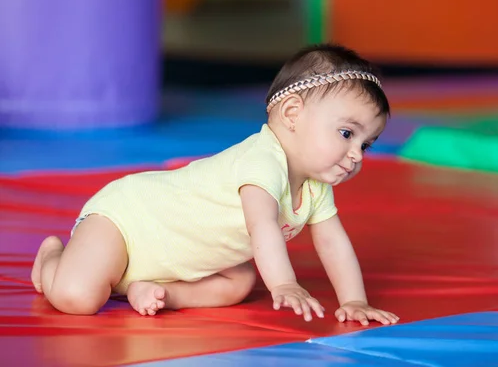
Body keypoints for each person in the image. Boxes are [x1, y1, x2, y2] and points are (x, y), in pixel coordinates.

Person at [31, 43, 399, 326]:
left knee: (238, 282)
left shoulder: (316, 187)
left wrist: (354, 300)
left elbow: (333, 242)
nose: (356, 155)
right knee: (77, 297)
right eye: (347, 133)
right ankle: (52, 258)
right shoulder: (262, 159)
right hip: (128, 224)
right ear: (292, 114)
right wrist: (284, 284)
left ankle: (160, 292)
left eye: (365, 144)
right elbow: (263, 226)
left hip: (173, 261)